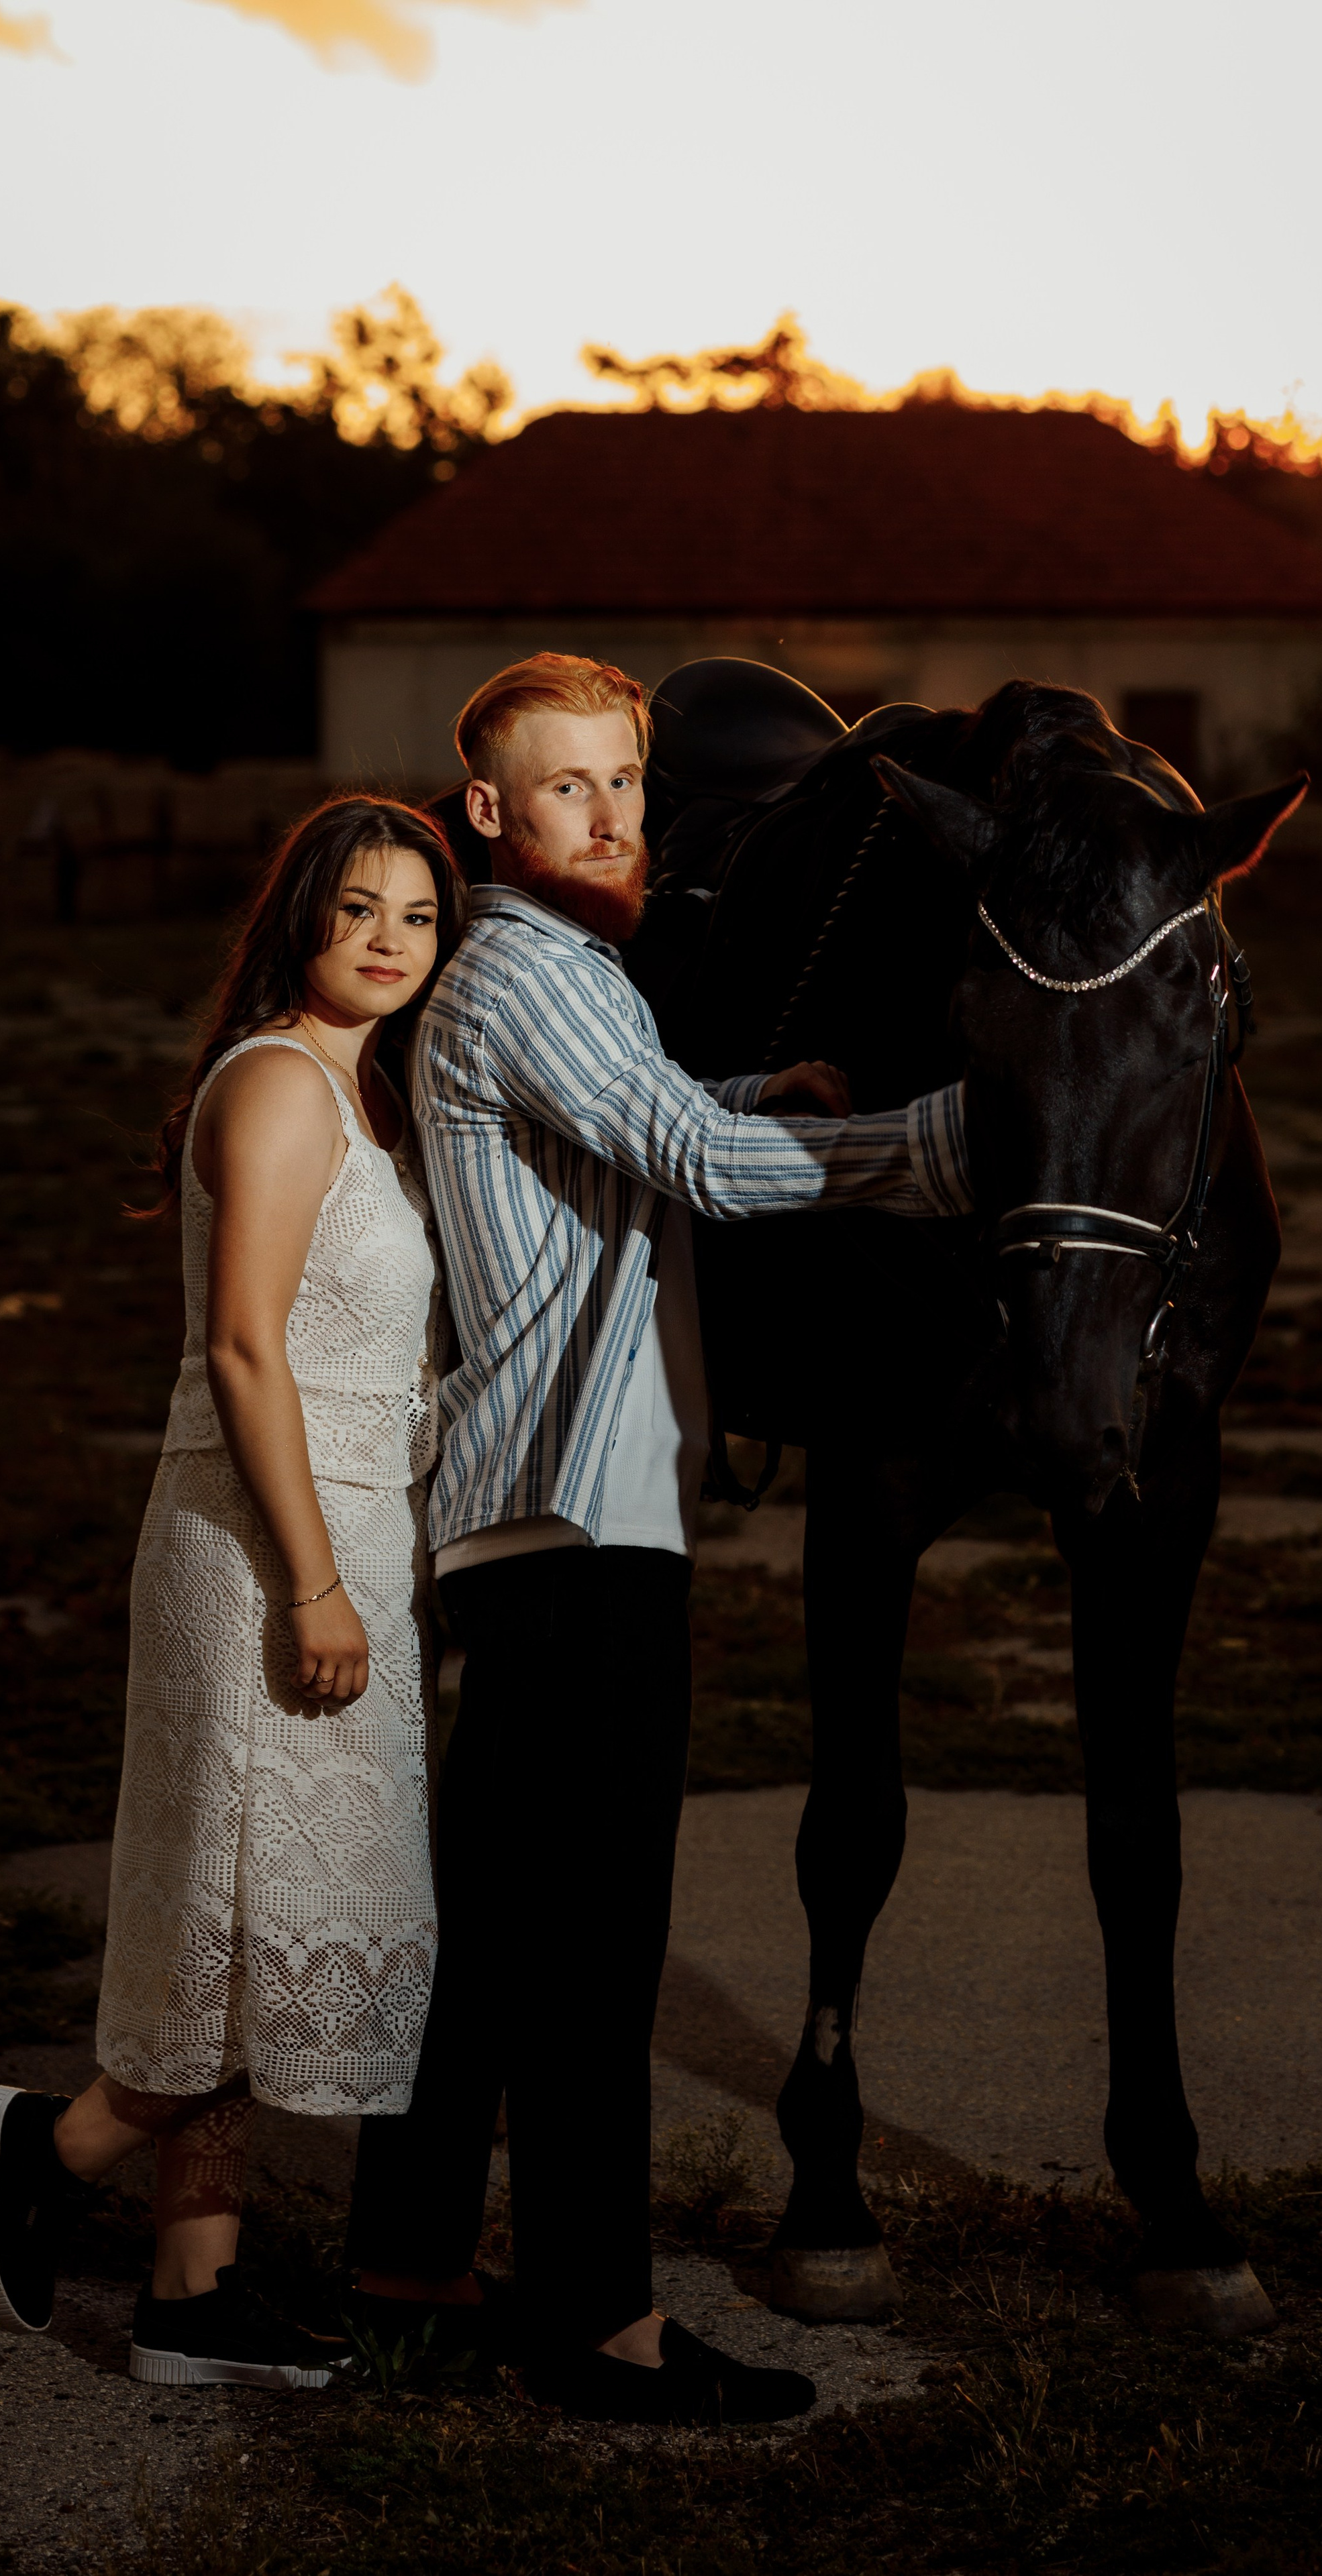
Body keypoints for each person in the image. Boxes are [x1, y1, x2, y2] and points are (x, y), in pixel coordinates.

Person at [342, 653, 973, 2426]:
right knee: (596, 1941)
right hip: (579, 1519)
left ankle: (406, 2265)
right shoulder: (534, 968)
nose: (614, 815)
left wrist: (777, 1096)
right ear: (488, 813)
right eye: (570, 788)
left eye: (630, 783)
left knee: (490, 1925)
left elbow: (649, 1144)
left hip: (529, 1512)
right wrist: (930, 1146)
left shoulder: (554, 975)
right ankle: (599, 2325)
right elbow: (680, 1160)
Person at [0, 796, 466, 2390]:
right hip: (262, 1541)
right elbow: (248, 1347)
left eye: (417, 917)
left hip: (351, 1543)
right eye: (358, 912)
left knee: (251, 1920)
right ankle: (62, 2150)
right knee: (261, 1906)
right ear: (297, 924)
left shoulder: (365, 1091)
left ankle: (193, 2293)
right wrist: (315, 1583)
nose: (389, 941)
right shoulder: (274, 1085)